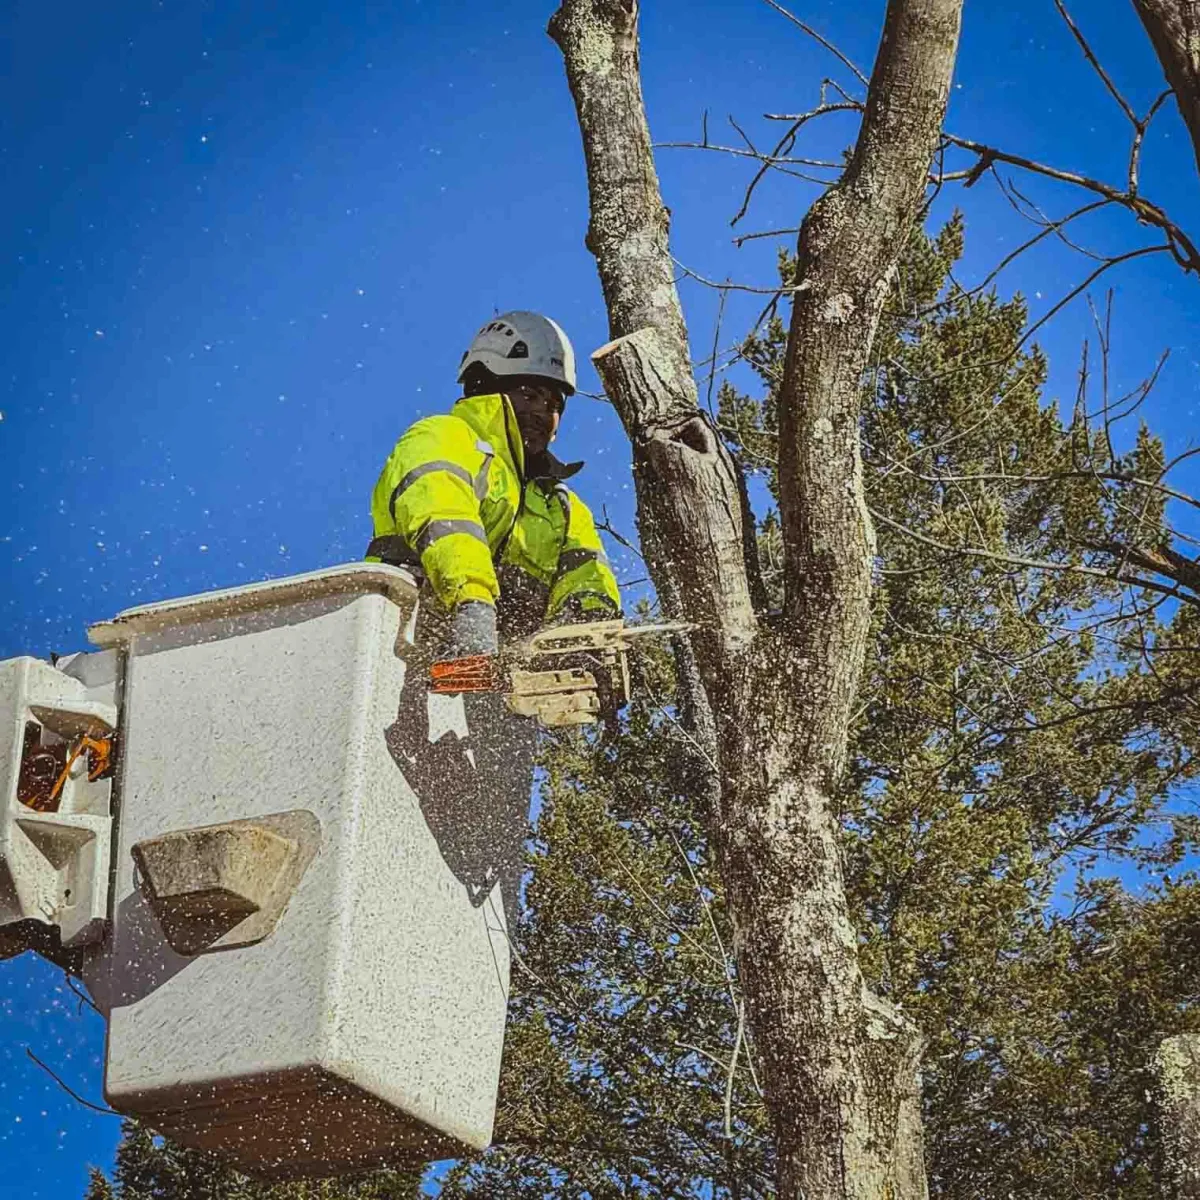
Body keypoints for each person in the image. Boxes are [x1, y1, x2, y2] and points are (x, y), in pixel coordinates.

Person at [366, 310, 621, 659]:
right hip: (405, 639)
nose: (542, 413)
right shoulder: (444, 437)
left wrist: (592, 634)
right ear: (487, 387)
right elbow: (443, 515)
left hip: (500, 667)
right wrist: (473, 604)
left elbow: (586, 580)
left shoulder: (560, 505)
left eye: (553, 405)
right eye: (529, 395)